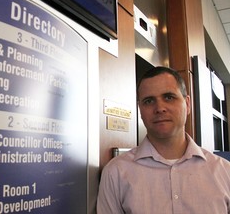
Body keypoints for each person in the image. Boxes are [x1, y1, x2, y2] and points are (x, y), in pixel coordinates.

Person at [97, 66, 230, 214]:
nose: (159, 108)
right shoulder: (115, 172)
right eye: (149, 101)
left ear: (187, 104)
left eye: (169, 97)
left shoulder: (225, 172)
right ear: (140, 110)